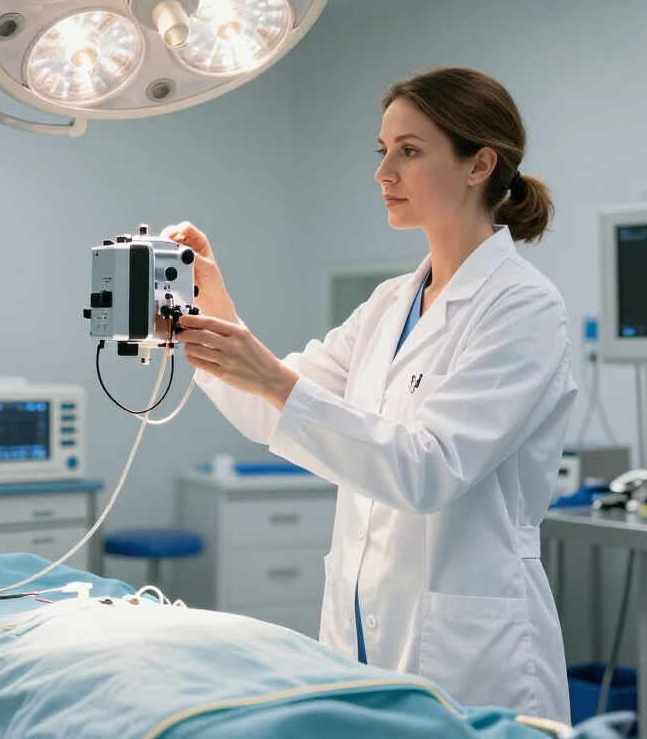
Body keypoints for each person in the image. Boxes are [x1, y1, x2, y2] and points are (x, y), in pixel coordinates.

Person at [165, 66, 576, 723]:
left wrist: (269, 375)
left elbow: (427, 469)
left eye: (409, 151)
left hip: (469, 650)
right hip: (361, 631)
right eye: (382, 150)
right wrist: (210, 318)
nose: (384, 172)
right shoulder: (390, 303)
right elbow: (270, 411)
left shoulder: (523, 306)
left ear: (480, 165)